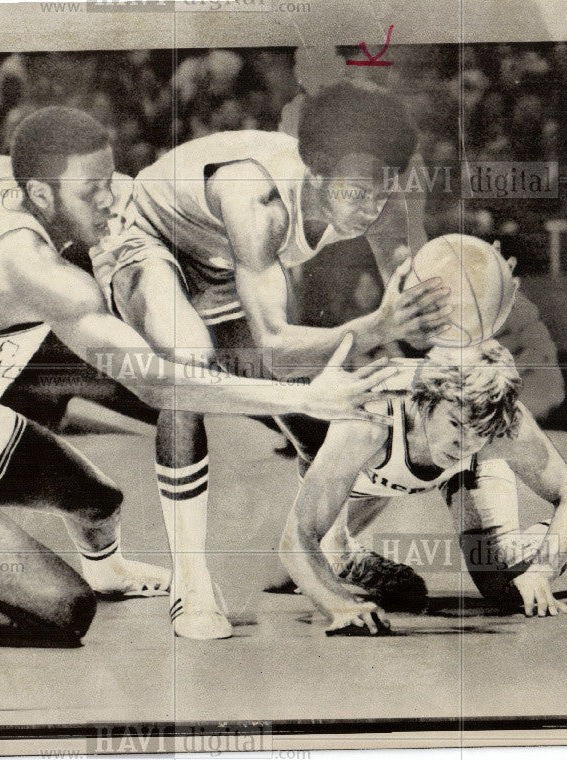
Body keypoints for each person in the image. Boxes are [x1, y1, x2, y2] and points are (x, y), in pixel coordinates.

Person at [0, 106, 402, 644]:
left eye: (107, 179)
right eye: (91, 191)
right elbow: (161, 385)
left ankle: (109, 570)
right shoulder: (47, 277)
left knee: (102, 503)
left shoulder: (0, 189)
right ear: (42, 196)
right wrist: (304, 397)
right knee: (63, 611)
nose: (113, 198)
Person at [90, 81, 452, 639]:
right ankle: (191, 584)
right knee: (190, 369)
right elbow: (278, 351)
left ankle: (331, 548)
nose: (372, 209)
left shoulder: (376, 197)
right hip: (148, 241)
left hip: (223, 263)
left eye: (383, 194)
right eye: (357, 194)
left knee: (329, 407)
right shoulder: (255, 199)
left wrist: (469, 297)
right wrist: (378, 325)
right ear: (317, 167)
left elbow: (422, 301)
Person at [278, 340, 567, 636]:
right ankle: (343, 553)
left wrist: (544, 570)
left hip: (416, 472)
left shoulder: (497, 422)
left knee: (506, 587)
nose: (467, 443)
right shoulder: (368, 421)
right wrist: (340, 606)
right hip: (359, 471)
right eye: (457, 424)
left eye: (482, 433)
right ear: (428, 399)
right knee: (296, 567)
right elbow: (296, 537)